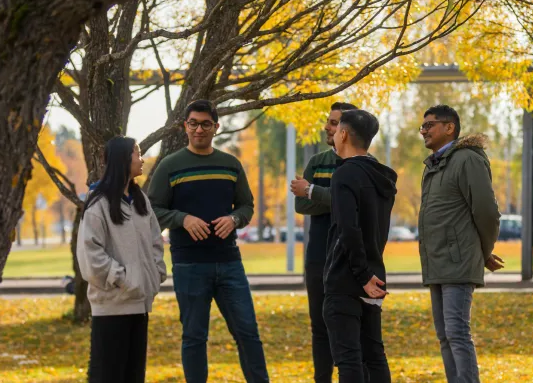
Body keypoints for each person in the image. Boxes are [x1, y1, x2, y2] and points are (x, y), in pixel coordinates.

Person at [147, 99, 269, 383]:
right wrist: (182, 219)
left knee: (248, 333)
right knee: (194, 337)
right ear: (184, 127)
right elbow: (152, 210)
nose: (198, 130)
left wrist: (234, 219)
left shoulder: (230, 164)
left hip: (229, 264)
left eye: (205, 124)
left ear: (216, 127)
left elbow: (246, 207)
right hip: (189, 265)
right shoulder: (170, 165)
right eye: (193, 124)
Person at [418, 104, 504, 383]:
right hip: (437, 261)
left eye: (429, 125)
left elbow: (486, 212)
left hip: (456, 260)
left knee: (456, 332)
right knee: (445, 335)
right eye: (422, 126)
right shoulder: (434, 164)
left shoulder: (467, 159)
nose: (423, 131)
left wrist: (484, 250)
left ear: (449, 127)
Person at [77, 136, 167, 383]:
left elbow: (155, 242)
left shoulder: (140, 200)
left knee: (133, 376)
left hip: (140, 304)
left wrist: (155, 275)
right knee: (108, 376)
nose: (142, 159)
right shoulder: (98, 203)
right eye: (137, 153)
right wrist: (123, 279)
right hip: (111, 306)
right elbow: (90, 254)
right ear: (122, 160)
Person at [322, 109, 397, 383]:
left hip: (348, 278)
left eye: (336, 128)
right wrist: (369, 273)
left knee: (349, 361)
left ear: (343, 134)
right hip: (375, 275)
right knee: (374, 356)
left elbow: (348, 228)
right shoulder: (381, 176)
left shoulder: (345, 175)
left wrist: (362, 274)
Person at [291, 101, 358, 383]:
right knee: (319, 326)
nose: (327, 127)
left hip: (352, 257)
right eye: (327, 121)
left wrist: (313, 192)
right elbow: (301, 206)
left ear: (347, 129)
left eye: (333, 122)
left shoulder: (362, 164)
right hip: (318, 256)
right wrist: (330, 198)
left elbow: (356, 206)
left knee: (349, 325)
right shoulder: (317, 163)